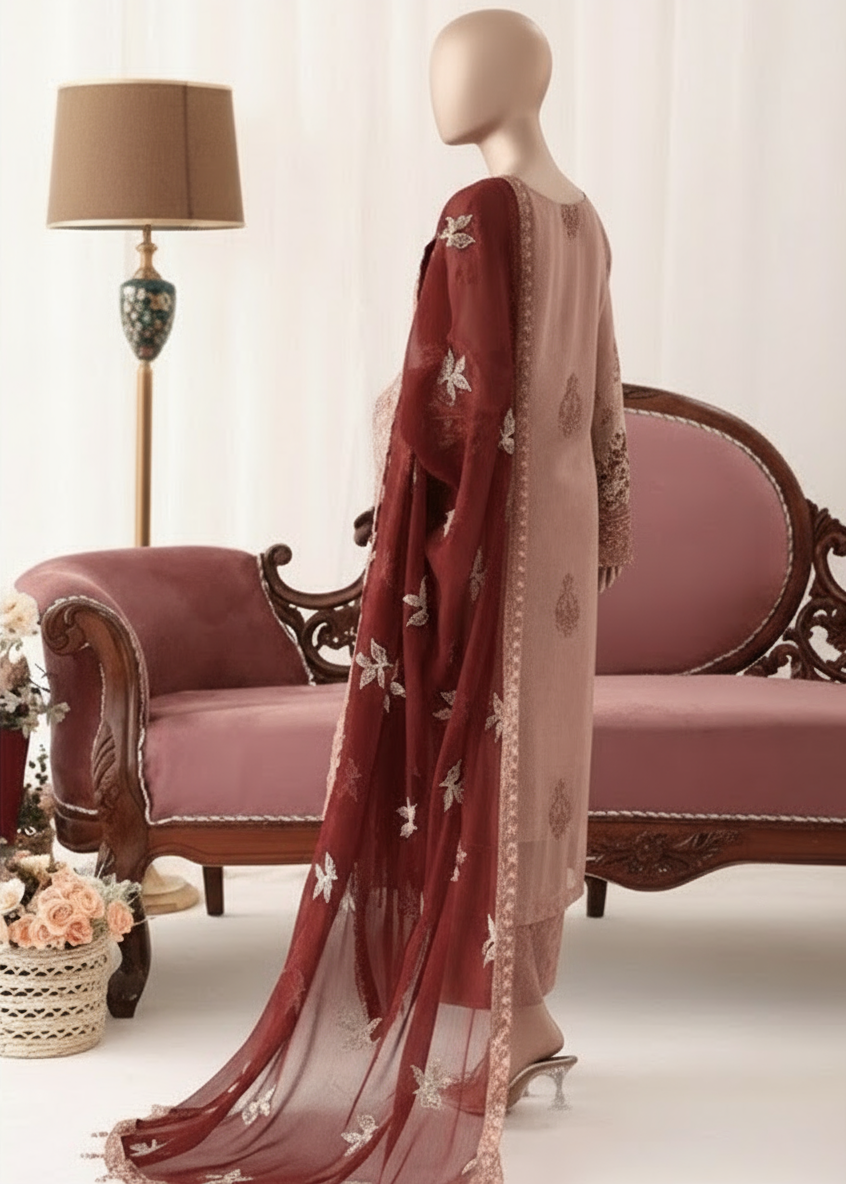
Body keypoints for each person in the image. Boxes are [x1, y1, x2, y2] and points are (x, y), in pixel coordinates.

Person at [100, 11, 633, 1184]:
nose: (440, 91)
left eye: (459, 68)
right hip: (559, 555)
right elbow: (603, 398)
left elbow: (452, 405)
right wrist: (605, 506)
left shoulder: (477, 216)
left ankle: (508, 1027)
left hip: (495, 544)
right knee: (537, 767)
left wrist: (388, 437)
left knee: (478, 760)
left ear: (517, 80)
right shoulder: (585, 218)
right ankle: (526, 1015)